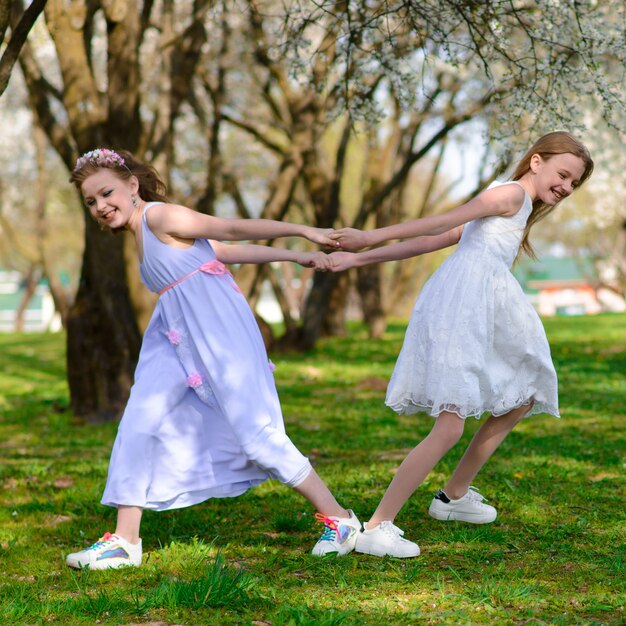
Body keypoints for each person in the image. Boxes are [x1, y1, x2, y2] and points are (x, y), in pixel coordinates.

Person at [65, 148, 361, 569]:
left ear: (132, 185)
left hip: (216, 329)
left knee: (256, 434)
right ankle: (124, 541)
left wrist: (305, 233)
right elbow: (216, 251)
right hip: (172, 332)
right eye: (90, 202)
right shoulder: (141, 232)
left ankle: (341, 519)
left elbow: (231, 227)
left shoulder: (159, 217)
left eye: (106, 193)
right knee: (139, 420)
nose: (99, 207)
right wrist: (294, 257)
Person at [327, 131, 594, 558]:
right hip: (465, 307)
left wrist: (357, 259)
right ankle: (378, 526)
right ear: (537, 161)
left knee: (523, 393)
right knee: (450, 425)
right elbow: (438, 222)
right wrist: (368, 239)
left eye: (573, 183)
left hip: (482, 305)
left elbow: (437, 240)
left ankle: (453, 496)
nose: (565, 187)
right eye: (563, 174)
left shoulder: (513, 202)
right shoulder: (508, 194)